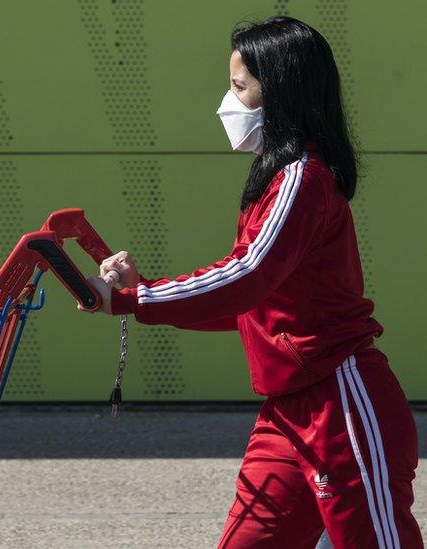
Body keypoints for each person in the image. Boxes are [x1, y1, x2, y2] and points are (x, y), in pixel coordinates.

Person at [80, 16, 423, 549]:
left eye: (239, 87)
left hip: (343, 408)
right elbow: (254, 302)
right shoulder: (277, 178)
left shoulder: (302, 177)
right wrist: (139, 292)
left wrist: (133, 298)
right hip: (288, 415)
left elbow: (246, 276)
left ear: (280, 92)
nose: (227, 101)